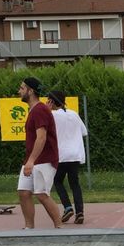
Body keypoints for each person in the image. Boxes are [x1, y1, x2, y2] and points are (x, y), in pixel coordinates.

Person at [17, 77, 62, 229]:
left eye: (22, 88)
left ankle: (59, 227)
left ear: (30, 91)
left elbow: (41, 137)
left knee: (41, 194)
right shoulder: (36, 110)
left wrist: (31, 160)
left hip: (44, 160)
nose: (19, 91)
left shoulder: (39, 109)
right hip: (32, 160)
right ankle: (29, 227)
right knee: (23, 192)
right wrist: (29, 161)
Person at [47, 90, 88, 224]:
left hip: (61, 155)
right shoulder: (74, 114)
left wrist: (46, 111)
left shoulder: (51, 115)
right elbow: (84, 132)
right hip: (75, 154)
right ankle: (80, 212)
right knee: (74, 183)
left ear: (51, 102)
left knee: (58, 181)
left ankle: (68, 207)